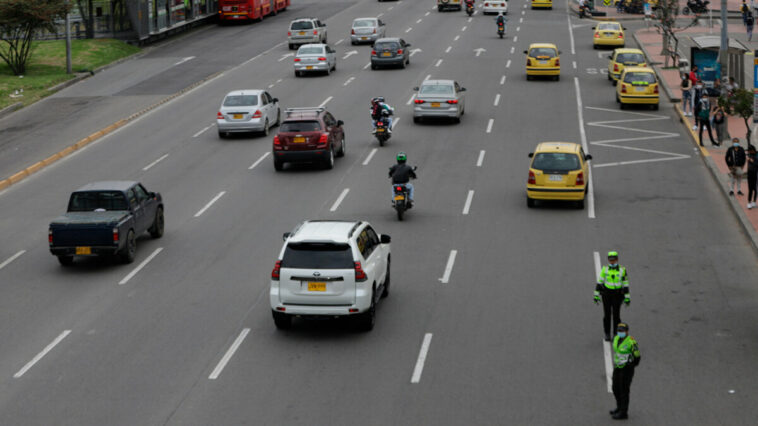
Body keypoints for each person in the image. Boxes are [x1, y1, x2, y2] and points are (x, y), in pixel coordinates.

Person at [594, 251, 630, 342]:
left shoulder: (622, 270)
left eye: (613, 260)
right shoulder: (605, 269)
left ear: (617, 259)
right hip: (607, 294)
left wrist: (627, 298)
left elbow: (625, 284)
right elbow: (599, 283)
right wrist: (596, 296)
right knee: (607, 315)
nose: (612, 262)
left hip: (617, 295)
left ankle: (616, 334)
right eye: (610, 260)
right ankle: (607, 333)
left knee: (616, 315)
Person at [610, 323, 641, 420]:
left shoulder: (631, 342)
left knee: (624, 390)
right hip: (618, 367)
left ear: (627, 332)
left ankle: (624, 412)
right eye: (619, 331)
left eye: (622, 331)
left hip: (627, 368)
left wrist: (631, 365)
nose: (620, 332)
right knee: (615, 388)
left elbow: (637, 356)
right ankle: (619, 407)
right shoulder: (616, 339)